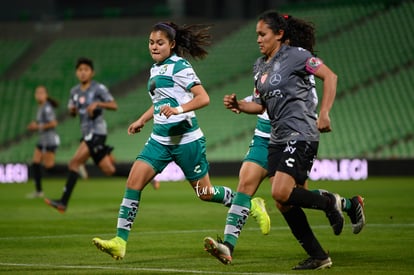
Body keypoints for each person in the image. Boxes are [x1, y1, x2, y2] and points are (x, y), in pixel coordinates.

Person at [92, 22, 269, 260]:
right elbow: (159, 102)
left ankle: (248, 204)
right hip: (159, 140)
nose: (154, 47)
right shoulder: (155, 69)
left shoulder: (180, 66)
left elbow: (203, 98)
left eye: (160, 43)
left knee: (205, 193)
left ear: (172, 44)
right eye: (151, 42)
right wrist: (142, 119)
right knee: (133, 182)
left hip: (186, 140)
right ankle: (120, 241)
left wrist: (178, 110)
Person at [204, 15, 366, 266]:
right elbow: (259, 106)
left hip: (300, 133)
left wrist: (324, 113)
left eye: (262, 34)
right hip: (274, 138)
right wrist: (238, 104)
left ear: (279, 34)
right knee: (283, 201)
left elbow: (330, 77)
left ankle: (331, 203)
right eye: (256, 34)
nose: (257, 39)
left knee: (281, 192)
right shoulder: (259, 66)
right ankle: (319, 254)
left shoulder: (298, 56)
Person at [44, 57, 128, 213]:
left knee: (74, 163)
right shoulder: (74, 91)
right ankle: (146, 177)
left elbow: (114, 105)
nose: (83, 73)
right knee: (109, 170)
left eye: (86, 70)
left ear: (92, 72)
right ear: (77, 73)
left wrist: (98, 104)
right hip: (86, 134)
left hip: (97, 132)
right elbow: (72, 112)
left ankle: (63, 202)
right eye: (80, 70)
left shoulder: (98, 88)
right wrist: (72, 111)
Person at [26, 85, 60, 198]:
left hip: (49, 140)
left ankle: (73, 169)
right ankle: (39, 191)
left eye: (41, 93)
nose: (39, 95)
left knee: (49, 168)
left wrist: (37, 127)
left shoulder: (47, 108)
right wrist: (35, 125)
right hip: (42, 140)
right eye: (37, 93)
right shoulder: (41, 107)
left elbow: (54, 123)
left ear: (46, 95)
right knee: (35, 163)